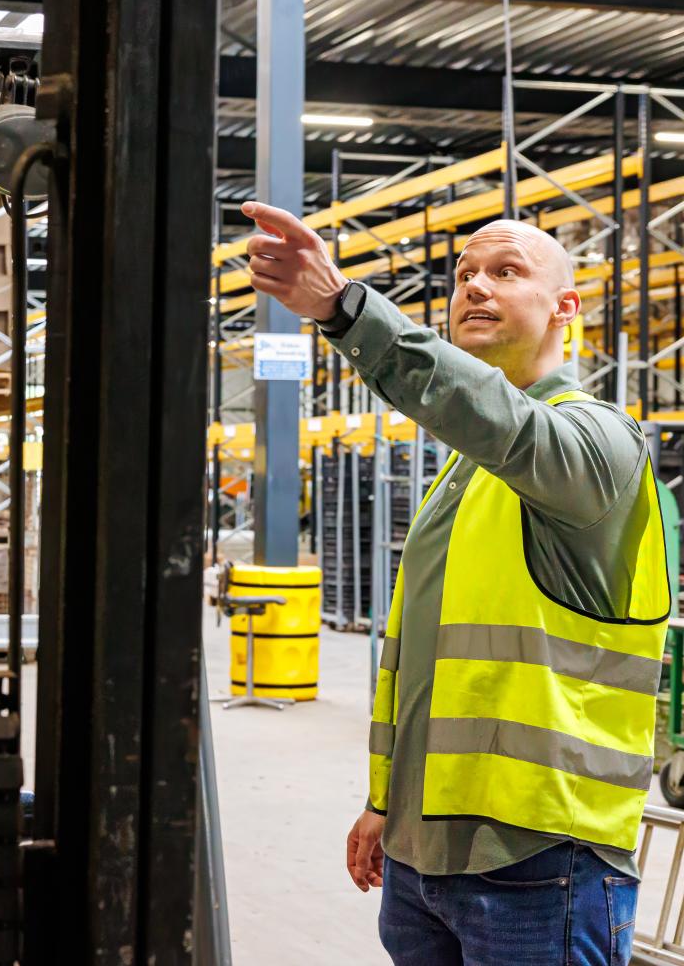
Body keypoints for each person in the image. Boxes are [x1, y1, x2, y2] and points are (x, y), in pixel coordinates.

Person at [241, 199, 669, 965]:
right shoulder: (461, 473)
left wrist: (346, 309)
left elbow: (497, 418)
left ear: (564, 307)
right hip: (424, 858)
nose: (474, 286)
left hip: (542, 859)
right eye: (464, 273)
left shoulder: (597, 443)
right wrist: (388, 808)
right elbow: (429, 663)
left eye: (506, 272)